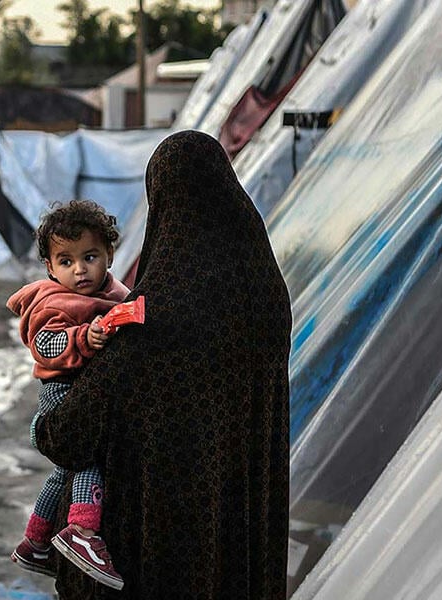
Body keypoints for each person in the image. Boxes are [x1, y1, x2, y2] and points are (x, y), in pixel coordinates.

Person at [33, 130, 292, 599]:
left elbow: (70, 434)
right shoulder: (268, 297)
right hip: (241, 539)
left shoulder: (158, 313)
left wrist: (42, 424)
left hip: (162, 547)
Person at [8, 200, 129, 590]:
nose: (79, 270)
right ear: (49, 267)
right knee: (87, 451)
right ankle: (82, 529)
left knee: (64, 471)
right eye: (66, 261)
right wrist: (83, 336)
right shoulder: (50, 301)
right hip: (62, 391)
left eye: (90, 257)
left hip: (87, 391)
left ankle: (36, 542)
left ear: (109, 255)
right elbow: (45, 345)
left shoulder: (115, 292)